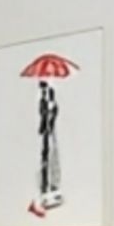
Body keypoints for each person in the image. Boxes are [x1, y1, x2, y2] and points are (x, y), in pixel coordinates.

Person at [36, 80, 61, 209]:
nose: (44, 92)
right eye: (43, 90)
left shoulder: (52, 102)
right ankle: (44, 188)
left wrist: (51, 112)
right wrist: (46, 112)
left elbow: (54, 114)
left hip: (51, 133)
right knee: (44, 159)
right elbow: (42, 115)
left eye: (45, 89)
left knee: (52, 158)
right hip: (45, 134)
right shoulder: (42, 102)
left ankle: (53, 187)